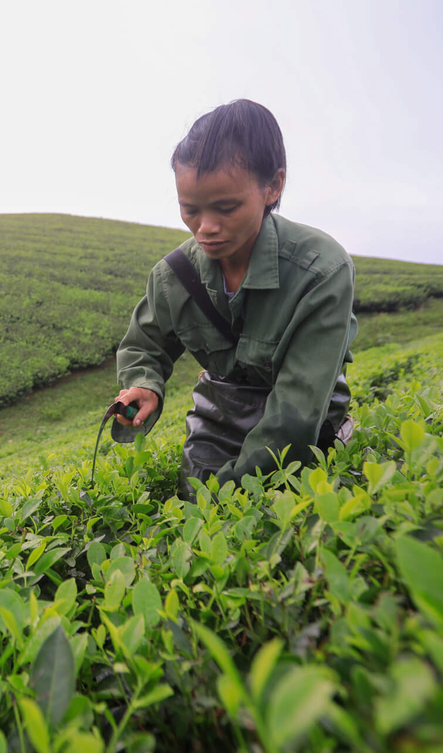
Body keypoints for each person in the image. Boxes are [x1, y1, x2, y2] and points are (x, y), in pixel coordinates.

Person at [112, 99, 357, 499]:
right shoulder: (173, 276)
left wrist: (223, 492)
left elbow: (296, 414)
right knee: (194, 504)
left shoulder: (321, 271)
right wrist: (144, 385)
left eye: (226, 208)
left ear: (273, 186)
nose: (206, 228)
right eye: (189, 210)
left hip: (304, 421)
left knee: (269, 504)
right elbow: (145, 345)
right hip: (219, 418)